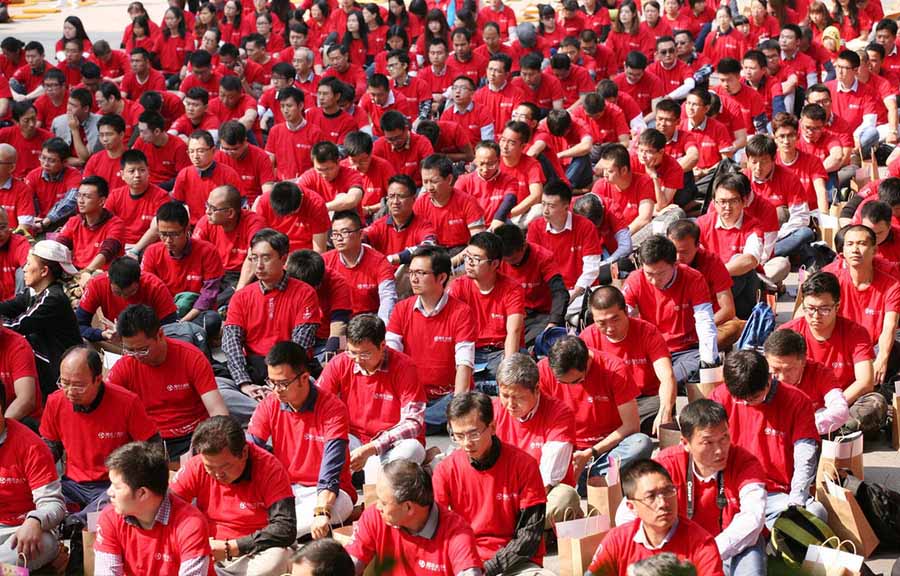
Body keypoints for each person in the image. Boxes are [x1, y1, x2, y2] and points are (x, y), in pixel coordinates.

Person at [616, 400, 767, 575]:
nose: (719, 450)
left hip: (734, 548)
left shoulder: (745, 462)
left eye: (724, 437)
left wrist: (706, 553)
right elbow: (625, 513)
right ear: (685, 443)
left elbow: (753, 518)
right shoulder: (666, 464)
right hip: (681, 550)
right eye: (708, 443)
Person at [40, 346, 159, 529]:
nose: (70, 391)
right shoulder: (55, 402)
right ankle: (78, 523)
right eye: (64, 383)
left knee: (117, 508)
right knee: (39, 503)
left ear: (98, 379)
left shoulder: (126, 402)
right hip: (72, 485)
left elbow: (152, 448)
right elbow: (50, 446)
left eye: (79, 385)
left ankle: (80, 523)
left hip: (112, 485)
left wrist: (128, 479)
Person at [433, 392, 550, 576]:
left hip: (515, 565)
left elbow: (530, 536)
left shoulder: (524, 465)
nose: (466, 443)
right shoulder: (445, 470)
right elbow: (437, 530)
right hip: (464, 562)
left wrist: (487, 569)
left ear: (493, 427)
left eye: (473, 434)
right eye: (458, 436)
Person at [248, 341, 357, 538]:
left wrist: (322, 510)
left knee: (339, 505)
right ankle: (272, 534)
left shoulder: (333, 408)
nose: (276, 390)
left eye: (282, 383)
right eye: (271, 382)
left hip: (329, 493)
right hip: (286, 489)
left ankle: (267, 536)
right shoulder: (270, 404)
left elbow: (331, 469)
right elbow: (250, 448)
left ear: (304, 378)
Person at [710, 351, 826, 528]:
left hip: (774, 495)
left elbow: (806, 456)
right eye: (741, 400)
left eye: (754, 398)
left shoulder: (797, 401)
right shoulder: (720, 396)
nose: (747, 403)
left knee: (816, 514)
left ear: (769, 379)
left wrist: (796, 502)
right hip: (729, 492)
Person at [171, 416, 296, 575]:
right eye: (209, 467)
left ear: (243, 452)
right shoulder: (196, 466)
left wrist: (231, 548)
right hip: (206, 548)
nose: (217, 474)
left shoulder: (269, 468)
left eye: (225, 466)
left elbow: (285, 528)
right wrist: (193, 541)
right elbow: (168, 509)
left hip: (252, 552)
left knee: (276, 559)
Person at [107, 304, 228, 461]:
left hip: (193, 436)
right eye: (130, 350)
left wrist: (204, 449)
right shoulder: (125, 365)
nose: (137, 356)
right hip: (149, 441)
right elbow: (107, 408)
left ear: (160, 334)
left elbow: (218, 411)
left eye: (143, 349)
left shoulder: (191, 358)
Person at [222, 229, 321, 417]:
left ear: (283, 260)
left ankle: (266, 410)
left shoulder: (305, 293)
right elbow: (231, 342)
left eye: (266, 258)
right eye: (253, 258)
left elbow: (299, 345)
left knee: (316, 385)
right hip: (254, 368)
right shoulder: (241, 297)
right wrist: (244, 384)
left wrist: (277, 383)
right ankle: (272, 410)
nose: (258, 266)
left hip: (290, 371)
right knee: (217, 389)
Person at [538, 336, 653, 495]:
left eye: (576, 381)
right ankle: (594, 482)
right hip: (566, 450)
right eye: (562, 382)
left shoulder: (614, 369)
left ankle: (589, 480)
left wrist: (591, 453)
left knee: (641, 443)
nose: (570, 387)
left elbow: (632, 425)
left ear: (588, 362)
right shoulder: (543, 371)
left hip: (606, 449)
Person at [318, 313, 426, 474]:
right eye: (352, 352)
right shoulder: (340, 362)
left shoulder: (404, 367)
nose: (357, 360)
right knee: (319, 444)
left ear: (382, 346)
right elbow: (318, 403)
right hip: (354, 441)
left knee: (412, 449)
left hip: (392, 445)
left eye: (365, 354)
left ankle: (366, 474)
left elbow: (413, 422)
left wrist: (373, 447)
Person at [386, 246, 475, 434]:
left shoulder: (461, 312)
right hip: (411, 395)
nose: (413, 279)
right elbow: (390, 357)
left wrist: (458, 407)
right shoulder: (401, 309)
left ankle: (411, 424)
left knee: (466, 403)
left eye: (421, 273)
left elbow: (464, 364)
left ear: (441, 277)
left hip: (447, 396)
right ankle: (413, 422)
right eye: (411, 272)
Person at [780, 271, 881, 434]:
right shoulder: (787, 333)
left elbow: (865, 382)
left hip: (843, 403)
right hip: (800, 405)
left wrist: (833, 410)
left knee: (874, 404)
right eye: (810, 309)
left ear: (837, 306)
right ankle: (824, 433)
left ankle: (817, 431)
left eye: (824, 309)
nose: (815, 316)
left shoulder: (856, 333)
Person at [586, 459, 725, 576]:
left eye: (668, 491)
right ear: (631, 507)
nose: (663, 503)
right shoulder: (617, 540)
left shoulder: (702, 544)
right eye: (650, 496)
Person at [345, 460, 483, 576]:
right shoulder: (374, 517)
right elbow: (349, 566)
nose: (377, 507)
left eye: (384, 503)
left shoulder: (457, 533)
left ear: (408, 507)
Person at [93, 442, 212, 576]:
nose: (109, 492)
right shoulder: (110, 517)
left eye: (117, 487)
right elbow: (107, 571)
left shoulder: (190, 524)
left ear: (142, 493)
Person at [493, 354, 581, 528]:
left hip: (541, 495)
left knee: (566, 497)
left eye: (518, 397)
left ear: (536, 389)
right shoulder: (493, 411)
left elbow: (546, 479)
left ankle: (506, 529)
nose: (510, 404)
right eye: (504, 396)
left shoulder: (559, 414)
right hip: (502, 492)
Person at [622, 235, 719, 385]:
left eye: (660, 273)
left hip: (687, 351)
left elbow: (704, 320)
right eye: (649, 274)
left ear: (675, 264)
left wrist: (708, 361)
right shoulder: (635, 279)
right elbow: (622, 314)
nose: (654, 281)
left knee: (689, 369)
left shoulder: (693, 278)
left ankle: (661, 384)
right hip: (651, 352)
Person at [581, 286, 677, 437]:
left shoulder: (647, 332)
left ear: (626, 311)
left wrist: (665, 411)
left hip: (646, 401)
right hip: (610, 404)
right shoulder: (587, 338)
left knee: (666, 404)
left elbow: (667, 376)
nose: (610, 328)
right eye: (601, 323)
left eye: (615, 319)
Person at [823, 224, 900, 391]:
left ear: (874, 250)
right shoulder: (830, 280)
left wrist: (882, 358)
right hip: (841, 347)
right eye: (850, 244)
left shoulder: (891, 284)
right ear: (842, 252)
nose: (855, 249)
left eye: (862, 244)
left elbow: (890, 326)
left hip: (874, 347)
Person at [0, 240, 81, 397]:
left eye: (28, 264)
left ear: (44, 271)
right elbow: (7, 307)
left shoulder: (53, 298)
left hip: (58, 371)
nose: (24, 269)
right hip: (45, 362)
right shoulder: (33, 292)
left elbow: (18, 325)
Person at [0, 385, 66, 571]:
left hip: (22, 532)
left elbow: (54, 504)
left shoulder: (31, 446)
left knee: (42, 545)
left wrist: (35, 520)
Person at [449, 232, 525, 386]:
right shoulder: (458, 287)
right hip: (469, 351)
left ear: (495, 264)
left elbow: (514, 332)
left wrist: (507, 372)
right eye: (467, 257)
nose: (469, 263)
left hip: (499, 352)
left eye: (476, 259)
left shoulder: (512, 289)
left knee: (519, 368)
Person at [141, 201, 224, 335]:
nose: (168, 240)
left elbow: (209, 295)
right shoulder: (152, 252)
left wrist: (183, 321)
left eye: (174, 234)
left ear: (187, 230)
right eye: (163, 234)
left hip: (195, 313)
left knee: (211, 321)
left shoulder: (208, 251)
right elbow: (147, 290)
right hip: (164, 313)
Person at [696, 174, 767, 320]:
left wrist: (717, 274)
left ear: (744, 201)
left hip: (744, 293)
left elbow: (751, 259)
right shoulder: (702, 224)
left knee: (740, 263)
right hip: (710, 290)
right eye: (722, 201)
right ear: (714, 203)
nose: (727, 207)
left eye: (733, 201)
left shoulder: (754, 226)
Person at [666, 219, 743, 349]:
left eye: (684, 252)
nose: (678, 257)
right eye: (674, 251)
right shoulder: (660, 263)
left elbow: (728, 310)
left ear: (697, 246)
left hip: (705, 325)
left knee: (737, 327)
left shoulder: (712, 262)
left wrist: (700, 327)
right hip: (670, 327)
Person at [527, 180, 602, 307]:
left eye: (551, 206)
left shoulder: (586, 227)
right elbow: (532, 266)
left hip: (580, 291)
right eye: (543, 204)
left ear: (566, 207)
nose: (545, 210)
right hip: (550, 293)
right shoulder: (535, 227)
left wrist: (573, 294)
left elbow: (592, 268)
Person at [763, 329, 850, 435]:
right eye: (775, 369)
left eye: (789, 369)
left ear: (803, 361)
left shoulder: (820, 373)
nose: (781, 378)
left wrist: (802, 426)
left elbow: (840, 410)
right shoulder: (758, 374)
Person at [495, 224, 568, 346]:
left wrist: (553, 323)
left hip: (541, 316)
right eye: (505, 260)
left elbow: (559, 292)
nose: (508, 264)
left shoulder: (543, 258)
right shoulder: (496, 260)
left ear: (524, 246)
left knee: (536, 340)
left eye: (513, 260)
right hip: (511, 314)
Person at [76, 257, 177, 343]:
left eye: (132, 292)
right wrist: (101, 334)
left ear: (139, 280)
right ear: (109, 280)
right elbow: (78, 325)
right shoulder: (97, 284)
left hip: (149, 342)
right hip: (114, 341)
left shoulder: (155, 287)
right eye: (117, 293)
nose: (124, 298)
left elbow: (171, 329)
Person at [323, 210, 397, 322]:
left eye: (345, 232)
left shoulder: (380, 262)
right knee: (339, 338)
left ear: (361, 234)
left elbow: (388, 299)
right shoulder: (325, 261)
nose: (339, 238)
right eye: (335, 234)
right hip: (339, 325)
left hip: (368, 326)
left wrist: (381, 332)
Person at [54, 175, 125, 282]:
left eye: (87, 196)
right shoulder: (74, 221)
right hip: (76, 272)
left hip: (102, 275)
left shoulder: (116, 224)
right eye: (79, 195)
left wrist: (87, 271)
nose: (81, 201)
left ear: (102, 201)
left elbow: (107, 251)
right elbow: (59, 246)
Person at [194, 184, 266, 288]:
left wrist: (239, 292)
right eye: (207, 205)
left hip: (242, 275)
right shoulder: (206, 221)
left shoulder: (254, 223)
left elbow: (254, 258)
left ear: (230, 213)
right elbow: (194, 253)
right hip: (214, 274)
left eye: (213, 208)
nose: (207, 212)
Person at [285, 250, 351, 363]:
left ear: (318, 284)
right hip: (294, 334)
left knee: (341, 356)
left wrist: (330, 358)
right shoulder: (286, 277)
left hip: (326, 338)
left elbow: (340, 324)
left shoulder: (338, 283)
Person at [416, 154, 486, 257]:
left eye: (434, 181)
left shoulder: (468, 202)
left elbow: (478, 243)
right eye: (425, 182)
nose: (429, 187)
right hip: (432, 253)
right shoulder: (420, 203)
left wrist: (454, 262)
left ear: (449, 179)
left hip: (463, 253)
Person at [172, 130, 241, 226]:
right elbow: (176, 207)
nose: (195, 156)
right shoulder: (184, 174)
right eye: (191, 151)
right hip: (193, 227)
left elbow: (240, 207)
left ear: (213, 151)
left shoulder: (229, 174)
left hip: (221, 225)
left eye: (200, 151)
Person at [253, 180, 330, 254]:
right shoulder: (264, 201)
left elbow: (319, 250)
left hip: (303, 255)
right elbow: (259, 239)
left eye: (291, 213)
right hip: (275, 252)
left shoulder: (316, 205)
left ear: (302, 197)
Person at [372, 110, 434, 187]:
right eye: (390, 139)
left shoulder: (422, 143)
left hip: (417, 189)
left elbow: (431, 171)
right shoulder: (379, 145)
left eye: (398, 137)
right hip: (390, 190)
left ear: (406, 129)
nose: (395, 142)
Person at [132, 110, 190, 190]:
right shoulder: (141, 141)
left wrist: (156, 189)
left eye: (143, 132)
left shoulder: (179, 147)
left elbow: (183, 177)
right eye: (139, 131)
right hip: (143, 185)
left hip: (167, 189)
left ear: (157, 131)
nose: (141, 136)